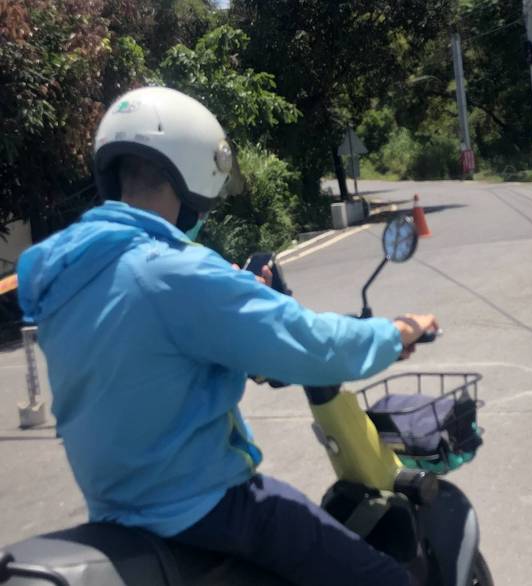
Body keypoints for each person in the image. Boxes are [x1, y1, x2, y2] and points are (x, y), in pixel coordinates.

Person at [16, 86, 436, 585]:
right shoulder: (170, 272)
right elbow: (313, 344)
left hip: (114, 509)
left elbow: (142, 362)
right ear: (194, 167)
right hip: (202, 506)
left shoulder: (70, 273)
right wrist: (394, 332)